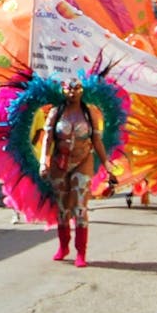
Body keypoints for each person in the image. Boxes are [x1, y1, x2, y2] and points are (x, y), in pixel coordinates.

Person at [39, 78, 115, 267]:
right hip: (60, 161)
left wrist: (107, 165)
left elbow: (97, 141)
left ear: (83, 90)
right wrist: (43, 162)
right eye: (68, 89)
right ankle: (63, 247)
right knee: (62, 208)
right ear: (63, 90)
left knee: (80, 207)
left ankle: (81, 252)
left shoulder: (90, 113)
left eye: (77, 89)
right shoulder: (56, 112)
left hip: (83, 161)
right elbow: (48, 139)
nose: (72, 93)